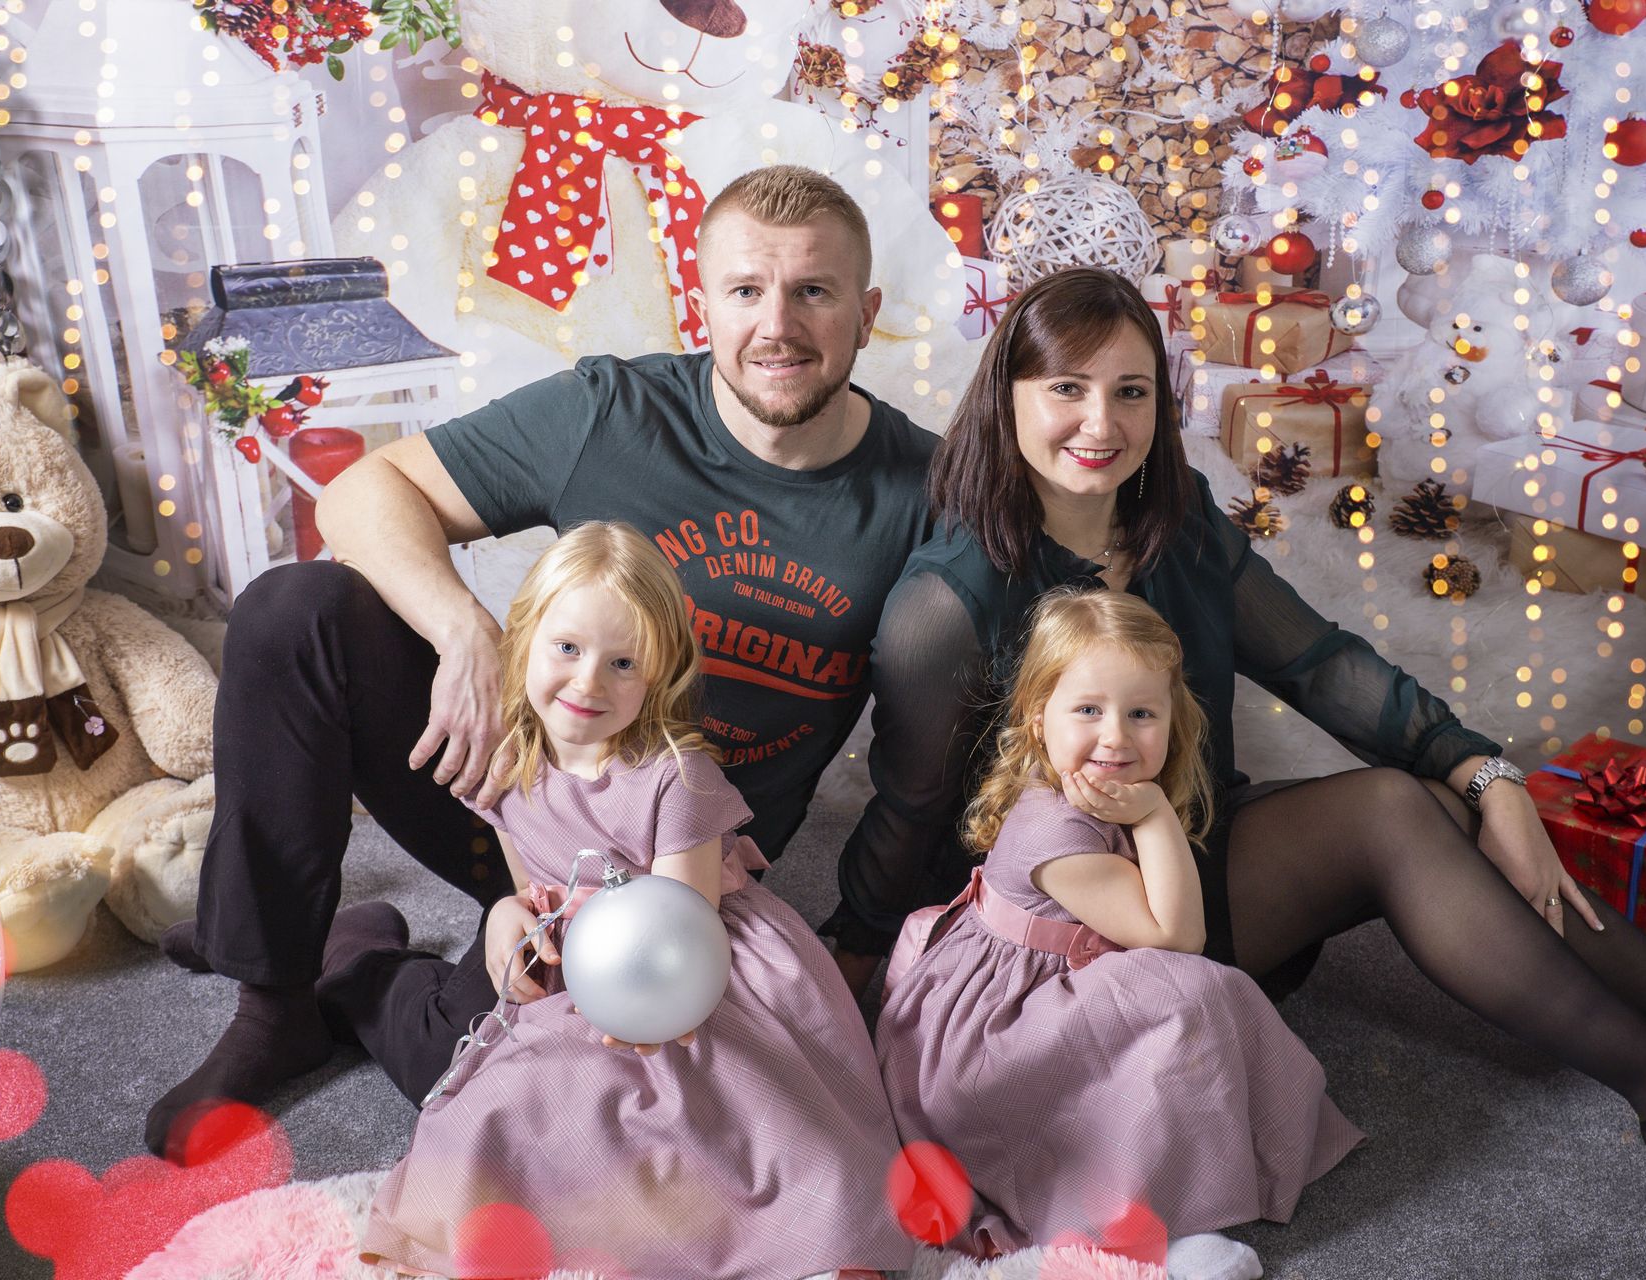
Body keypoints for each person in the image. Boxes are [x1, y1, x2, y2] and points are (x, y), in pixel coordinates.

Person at [832, 266, 1646, 1189]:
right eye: (1066, 388)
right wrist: (862, 960)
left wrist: (1486, 775)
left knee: (1436, 802)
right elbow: (911, 806)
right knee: (1392, 813)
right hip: (1085, 931)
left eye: (1130, 390)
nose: (1099, 422)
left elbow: (1318, 662)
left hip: (1190, 837)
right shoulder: (947, 599)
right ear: (1007, 397)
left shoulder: (1172, 518)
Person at [146, 164, 941, 1157]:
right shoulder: (612, 413)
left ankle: (357, 971)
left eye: (813, 291)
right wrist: (465, 633)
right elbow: (359, 495)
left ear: (867, 312)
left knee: (511, 1093)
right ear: (704, 301)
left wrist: (873, 937)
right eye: (746, 289)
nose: (776, 325)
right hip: (515, 793)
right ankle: (271, 998)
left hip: (677, 864)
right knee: (293, 612)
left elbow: (958, 727)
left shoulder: (926, 489)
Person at [359, 523, 910, 1280]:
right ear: (523, 641)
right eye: (567, 649)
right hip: (584, 963)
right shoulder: (510, 763)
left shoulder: (673, 778)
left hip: (690, 975)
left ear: (659, 676)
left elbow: (680, 932)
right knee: (500, 1106)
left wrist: (632, 1009)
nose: (588, 684)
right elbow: (530, 886)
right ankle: (361, 972)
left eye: (623, 664)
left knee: (726, 1125)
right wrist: (509, 915)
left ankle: (800, 1239)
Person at [877, 587, 1360, 1264]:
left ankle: (1181, 1161)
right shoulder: (1056, 835)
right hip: (994, 1032)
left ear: (1171, 718)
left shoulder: (1092, 788)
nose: (1116, 736)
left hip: (1048, 979)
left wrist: (1150, 811)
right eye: (1089, 710)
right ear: (1039, 718)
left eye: (1141, 713)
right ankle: (1129, 1196)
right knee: (1192, 994)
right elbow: (1178, 940)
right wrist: (1156, 815)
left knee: (1187, 1000)